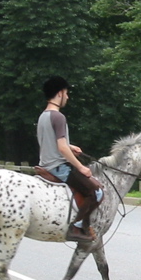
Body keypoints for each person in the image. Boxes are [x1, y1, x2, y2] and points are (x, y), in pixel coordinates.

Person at [37, 76, 103, 242]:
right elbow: (61, 148)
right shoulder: (59, 117)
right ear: (59, 93)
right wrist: (81, 167)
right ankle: (77, 227)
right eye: (66, 93)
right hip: (58, 166)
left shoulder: (43, 116)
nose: (67, 97)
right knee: (97, 191)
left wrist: (70, 145)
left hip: (45, 164)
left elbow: (52, 141)